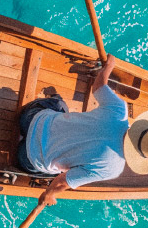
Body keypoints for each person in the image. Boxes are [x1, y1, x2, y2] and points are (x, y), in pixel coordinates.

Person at [18, 56, 129, 206]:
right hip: (27, 157)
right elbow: (63, 182)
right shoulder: (113, 169)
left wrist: (108, 67)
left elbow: (98, 86)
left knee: (60, 105)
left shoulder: (120, 110)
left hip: (29, 119)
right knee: (57, 172)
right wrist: (50, 194)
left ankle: (54, 100)